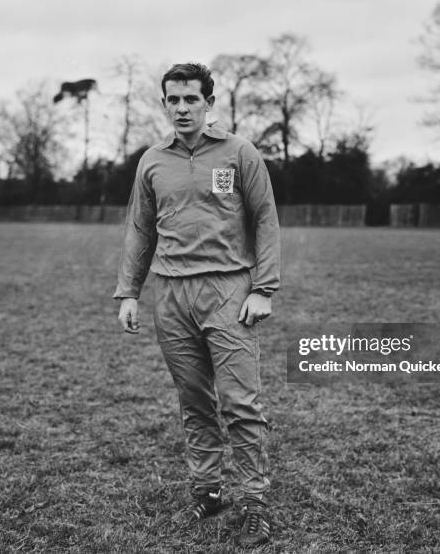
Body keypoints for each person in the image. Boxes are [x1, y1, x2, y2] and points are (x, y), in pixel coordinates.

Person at [114, 62, 280, 547]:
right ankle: (208, 490)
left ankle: (253, 501)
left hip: (228, 290)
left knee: (240, 403)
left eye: (191, 99)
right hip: (171, 295)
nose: (182, 108)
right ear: (164, 103)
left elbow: (265, 219)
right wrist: (129, 291)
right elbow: (140, 229)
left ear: (209, 102)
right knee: (194, 401)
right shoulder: (152, 161)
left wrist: (263, 289)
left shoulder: (239, 153)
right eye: (173, 100)